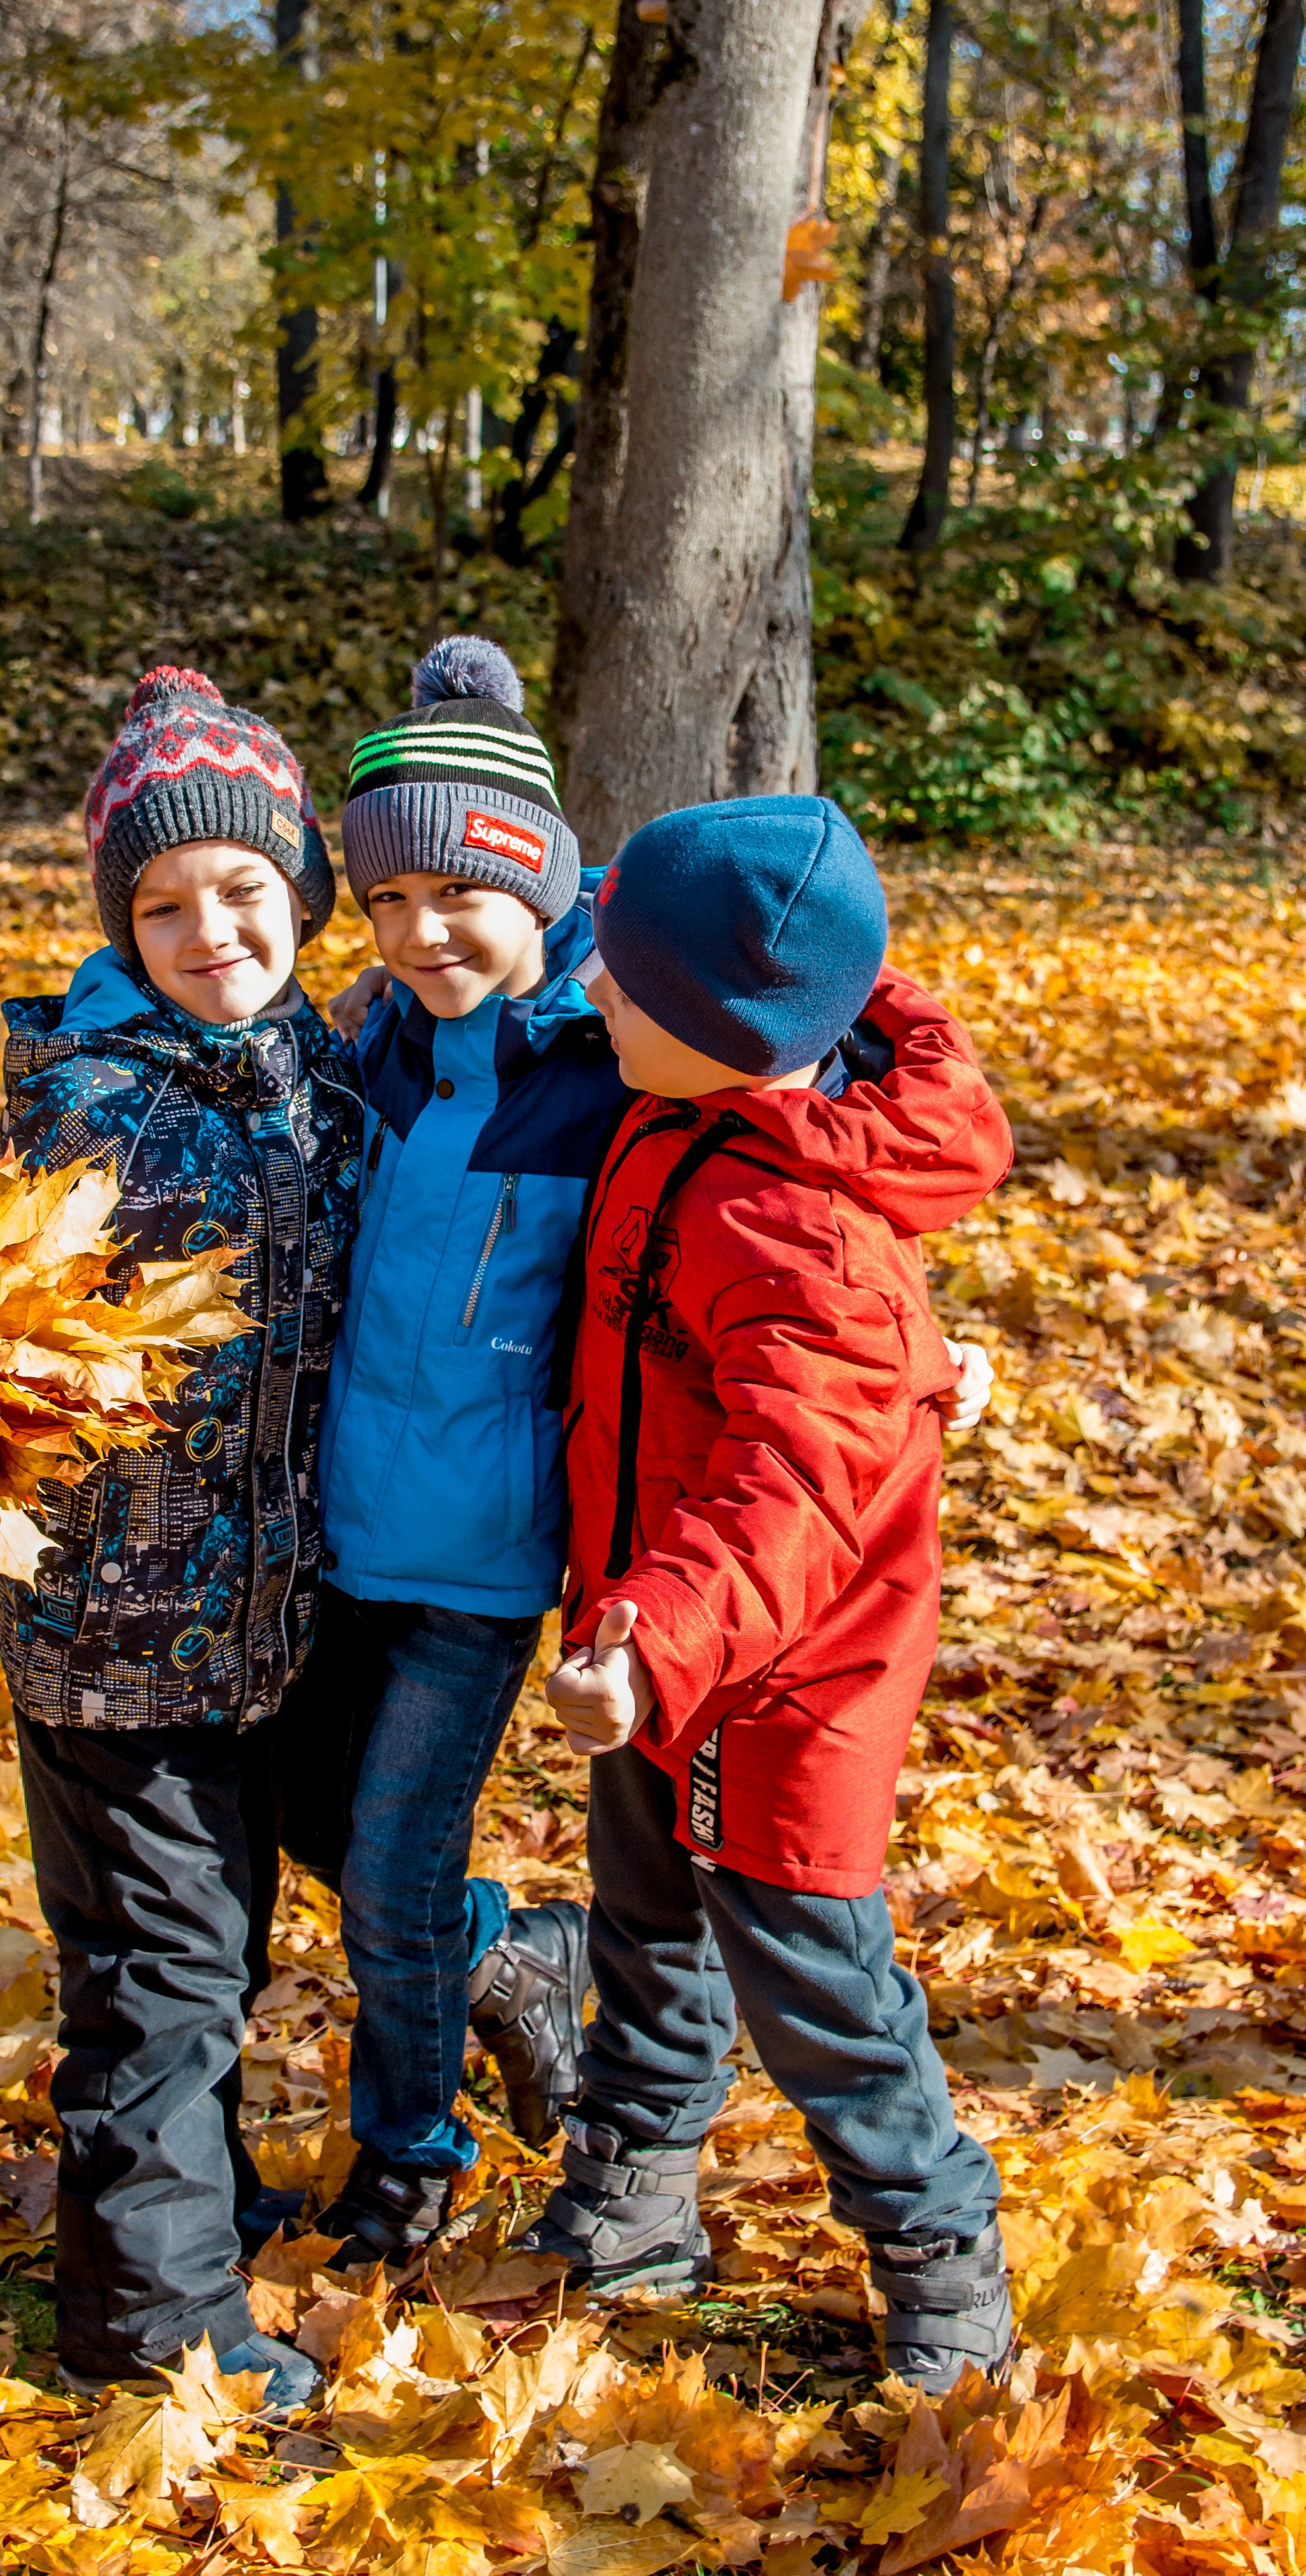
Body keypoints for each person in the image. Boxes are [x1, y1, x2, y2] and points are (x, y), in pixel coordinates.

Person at [523, 795, 1018, 2394]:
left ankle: (940, 2259)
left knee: (814, 1988)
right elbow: (811, 970)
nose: (589, 986)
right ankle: (631, 2191)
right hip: (653, 1636)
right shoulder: (694, 1104)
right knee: (643, 1929)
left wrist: (656, 1646)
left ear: (722, 1028)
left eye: (621, 974)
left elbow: (791, 1490)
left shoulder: (799, 1233)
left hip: (774, 1680)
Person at [0, 667, 363, 2404]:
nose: (210, 928)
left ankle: (181, 2210)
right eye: (162, 905)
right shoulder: (92, 1103)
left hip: (251, 1633)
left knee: (206, 1949)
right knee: (159, 1982)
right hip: (117, 1645)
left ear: (302, 889)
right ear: (118, 924)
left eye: (244, 890)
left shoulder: (314, 1070)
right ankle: (158, 2352)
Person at [271, 637, 630, 2267]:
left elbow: (799, 1144)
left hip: (482, 1561)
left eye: (460, 897)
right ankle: (509, 1954)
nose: (422, 934)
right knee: (322, 1830)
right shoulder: (368, 1056)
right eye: (387, 902)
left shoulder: (604, 1073)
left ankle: (407, 2160)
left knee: (388, 1874)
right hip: (334, 1530)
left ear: (541, 886)